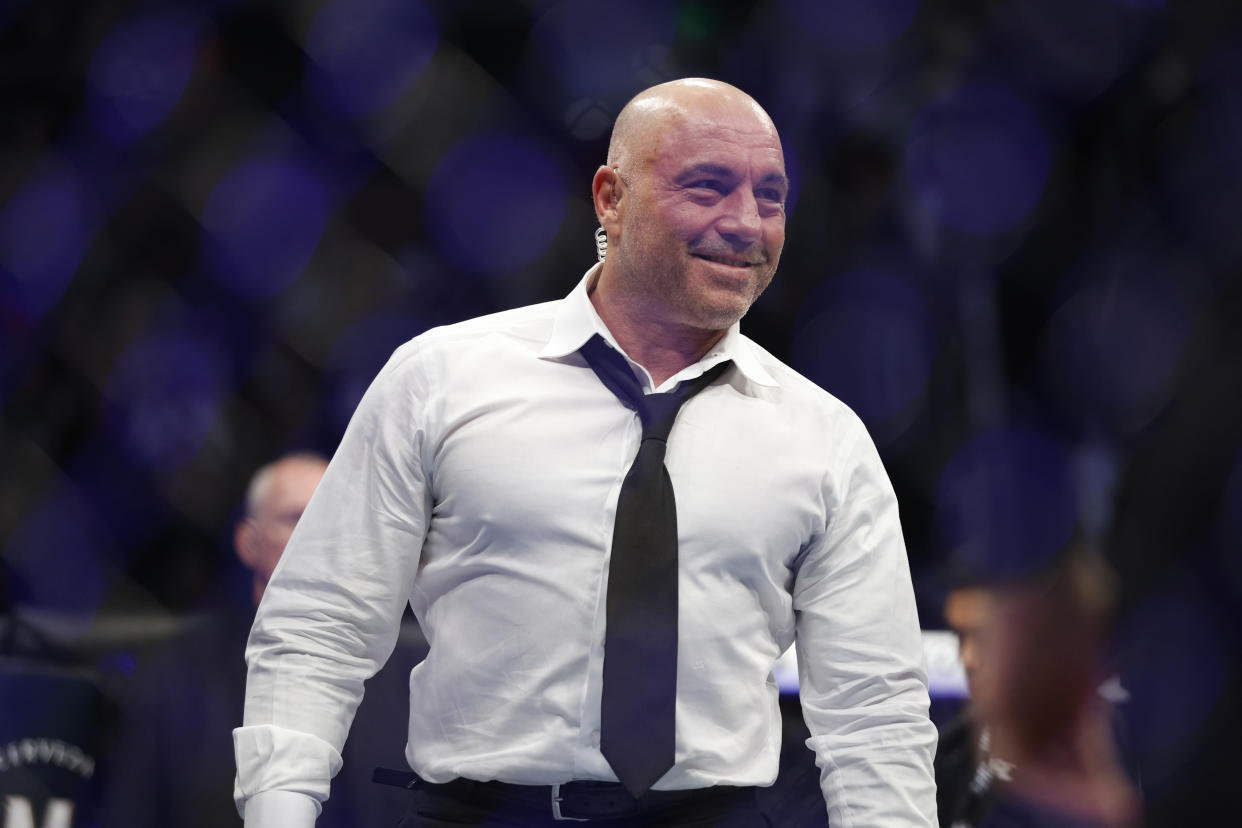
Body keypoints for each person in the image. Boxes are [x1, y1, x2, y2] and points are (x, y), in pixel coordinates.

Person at [234, 78, 937, 827]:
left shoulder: (822, 438)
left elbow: (875, 711)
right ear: (611, 197)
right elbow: (319, 625)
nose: (746, 224)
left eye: (771, 196)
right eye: (708, 187)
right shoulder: (442, 380)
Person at [99, 453, 421, 828]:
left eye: (335, 517)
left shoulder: (411, 672)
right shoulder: (178, 674)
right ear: (249, 542)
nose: (321, 534)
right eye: (296, 518)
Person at [934, 544, 1141, 828]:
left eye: (981, 636)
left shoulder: (1128, 757)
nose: (967, 659)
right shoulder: (954, 755)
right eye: (962, 635)